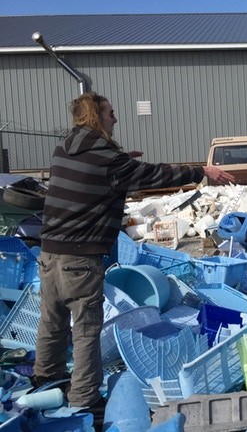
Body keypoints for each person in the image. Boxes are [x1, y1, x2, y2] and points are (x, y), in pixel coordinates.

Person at [32, 92, 233, 423]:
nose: (115, 118)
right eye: (110, 113)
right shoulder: (107, 158)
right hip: (80, 259)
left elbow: (98, 174)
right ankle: (84, 399)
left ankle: (44, 380)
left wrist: (123, 161)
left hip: (49, 252)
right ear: (96, 116)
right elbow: (153, 175)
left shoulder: (64, 148)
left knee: (51, 321)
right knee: (86, 329)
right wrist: (200, 171)